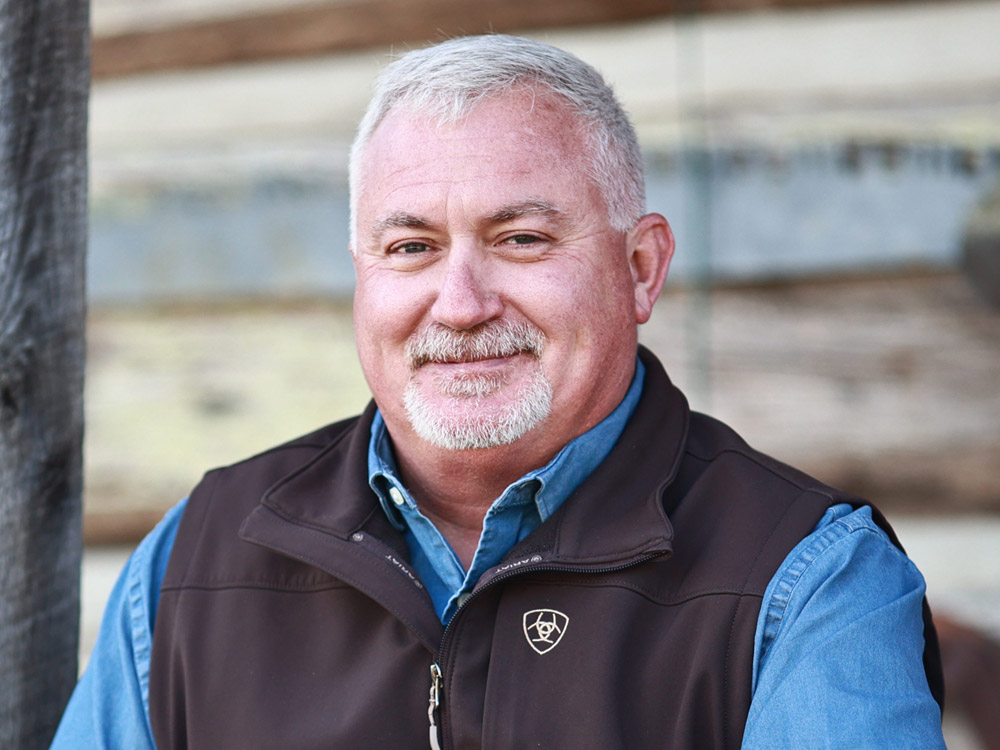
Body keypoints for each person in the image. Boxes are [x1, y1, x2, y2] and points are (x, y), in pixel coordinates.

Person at [53, 34, 945, 749]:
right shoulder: (194, 560)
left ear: (641, 268)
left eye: (520, 239)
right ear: (362, 275)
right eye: (412, 248)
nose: (462, 304)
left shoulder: (810, 581)